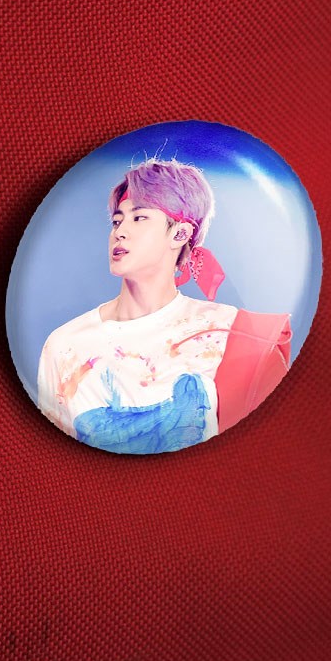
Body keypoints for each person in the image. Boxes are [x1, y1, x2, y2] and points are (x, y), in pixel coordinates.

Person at [37, 158, 291, 454]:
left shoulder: (230, 332)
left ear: (180, 234)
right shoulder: (65, 345)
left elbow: (267, 450)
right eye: (117, 221)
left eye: (139, 218)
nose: (119, 232)